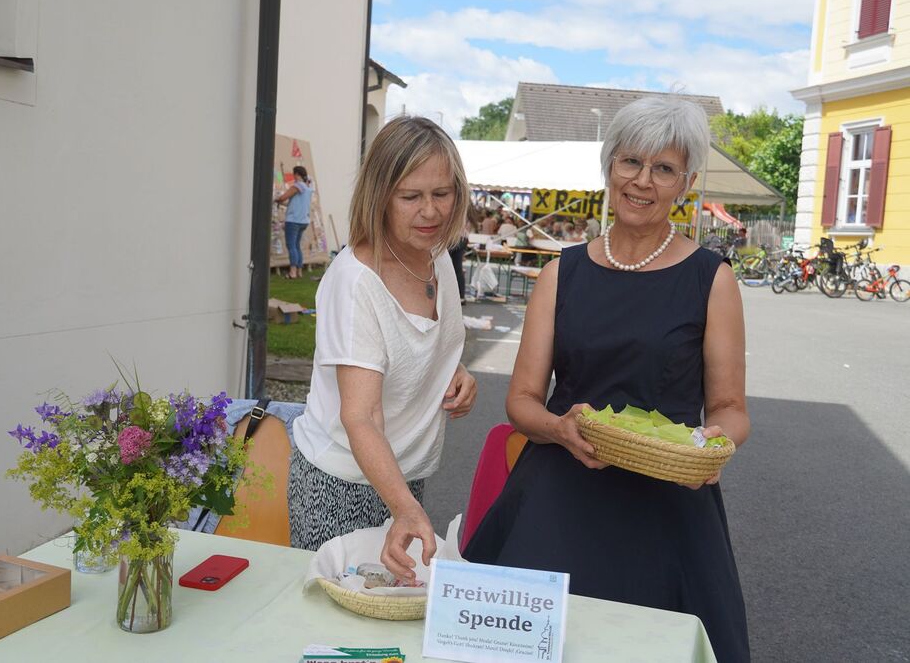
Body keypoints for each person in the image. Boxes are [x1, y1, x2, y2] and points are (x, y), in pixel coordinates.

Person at [463, 96, 751, 662]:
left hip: (667, 509)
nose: (642, 181)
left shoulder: (711, 279)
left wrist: (715, 444)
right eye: (630, 162)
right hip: (558, 496)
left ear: (686, 183)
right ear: (610, 165)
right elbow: (522, 401)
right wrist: (558, 428)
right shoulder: (560, 274)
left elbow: (730, 408)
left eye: (663, 168)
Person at [290, 116, 478, 582]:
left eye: (442, 193)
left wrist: (456, 373)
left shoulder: (438, 259)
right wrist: (404, 507)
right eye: (411, 196)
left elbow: (426, 346)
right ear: (380, 196)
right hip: (341, 485)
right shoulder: (356, 282)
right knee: (337, 620)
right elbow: (361, 415)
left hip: (404, 479)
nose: (430, 211)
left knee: (394, 614)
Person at [274, 165, 314, 279]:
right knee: (296, 246)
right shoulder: (308, 188)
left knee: (291, 246)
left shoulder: (297, 186)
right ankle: (299, 271)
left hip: (293, 220)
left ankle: (292, 272)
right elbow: (292, 203)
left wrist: (276, 199)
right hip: (303, 221)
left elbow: (283, 197)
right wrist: (281, 202)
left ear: (296, 174)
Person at [449, 203, 482, 303]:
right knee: (458, 268)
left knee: (443, 266)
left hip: (453, 238)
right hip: (463, 238)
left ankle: (446, 295)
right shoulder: (468, 212)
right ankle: (461, 296)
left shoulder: (456, 209)